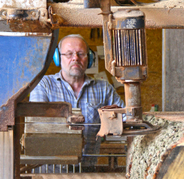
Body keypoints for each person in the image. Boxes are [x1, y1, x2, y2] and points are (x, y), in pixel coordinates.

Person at [30, 34, 125, 171]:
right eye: (69, 54)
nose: (75, 58)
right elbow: (37, 125)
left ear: (90, 58)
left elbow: (125, 117)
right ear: (58, 58)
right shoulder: (43, 85)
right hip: (48, 171)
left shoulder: (103, 89)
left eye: (80, 54)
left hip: (88, 169)